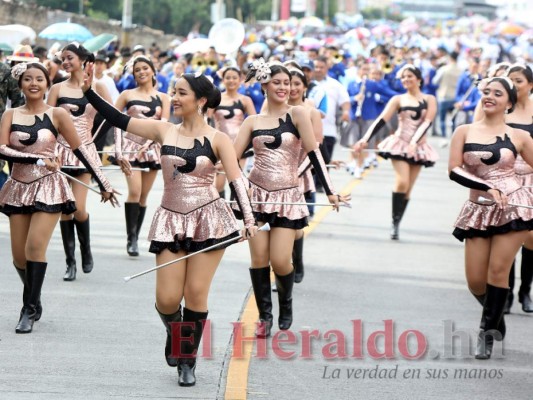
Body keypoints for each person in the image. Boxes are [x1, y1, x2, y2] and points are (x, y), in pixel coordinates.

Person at [81, 64, 258, 386]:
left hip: (210, 221)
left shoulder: (218, 139)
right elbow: (120, 119)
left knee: (195, 293)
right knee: (166, 298)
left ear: (201, 100)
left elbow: (237, 180)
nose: (173, 97)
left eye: (180, 93)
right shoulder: (165, 130)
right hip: (170, 219)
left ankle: (187, 360)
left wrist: (248, 221)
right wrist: (88, 91)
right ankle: (176, 333)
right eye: (173, 92)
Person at [234, 60, 349, 338]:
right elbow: (232, 158)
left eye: (287, 82)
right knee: (259, 259)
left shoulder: (298, 114)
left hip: (288, 197)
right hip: (257, 197)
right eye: (277, 82)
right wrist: (242, 188)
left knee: (281, 261)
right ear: (264, 85)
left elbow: (314, 153)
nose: (284, 87)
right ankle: (265, 316)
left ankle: (286, 302)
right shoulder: (252, 122)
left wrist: (330, 190)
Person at [0, 62, 117, 334]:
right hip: (18, 187)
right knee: (18, 257)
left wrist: (104, 182)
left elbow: (82, 150)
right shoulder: (9, 116)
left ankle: (28, 309)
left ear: (46, 83)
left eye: (39, 79)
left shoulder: (57, 115)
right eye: (27, 79)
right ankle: (34, 296)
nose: (33, 83)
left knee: (34, 249)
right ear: (20, 85)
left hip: (49, 188)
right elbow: (2, 150)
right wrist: (37, 159)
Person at [448, 76, 533, 359]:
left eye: (498, 93)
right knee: (475, 281)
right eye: (486, 91)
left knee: (498, 270)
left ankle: (485, 335)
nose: (490, 96)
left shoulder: (519, 136)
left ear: (508, 102)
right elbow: (454, 169)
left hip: (514, 206)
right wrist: (488, 188)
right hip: (479, 208)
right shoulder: (464, 130)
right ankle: (495, 315)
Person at [47, 42, 114, 282]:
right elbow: (47, 122)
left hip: (85, 153)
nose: (65, 62)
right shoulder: (57, 88)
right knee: (65, 210)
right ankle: (70, 262)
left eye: (69, 57)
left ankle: (85, 250)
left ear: (83, 60)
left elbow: (112, 116)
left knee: (78, 208)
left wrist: (95, 140)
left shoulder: (98, 86)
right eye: (63, 58)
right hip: (59, 153)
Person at [354, 65, 438, 240]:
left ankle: (396, 222)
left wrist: (415, 142)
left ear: (418, 79)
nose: (406, 80)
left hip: (419, 147)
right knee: (402, 182)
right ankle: (394, 222)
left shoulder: (429, 99)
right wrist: (365, 139)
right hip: (400, 144)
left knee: (408, 189)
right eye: (403, 77)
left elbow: (427, 122)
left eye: (409, 76)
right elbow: (381, 120)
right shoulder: (398, 99)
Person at [112, 55, 171, 256]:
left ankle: (136, 235)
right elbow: (114, 119)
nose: (142, 72)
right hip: (130, 147)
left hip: (152, 150)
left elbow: (163, 125)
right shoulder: (126, 95)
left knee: (144, 196)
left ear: (153, 71)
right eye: (138, 70)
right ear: (133, 74)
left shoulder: (163, 98)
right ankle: (131, 239)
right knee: (135, 192)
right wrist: (119, 149)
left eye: (145, 68)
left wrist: (147, 144)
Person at [287, 66, 324, 283]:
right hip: (273, 174)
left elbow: (315, 150)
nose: (291, 88)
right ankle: (283, 267)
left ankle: (297, 260)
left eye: (297, 84)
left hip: (300, 172)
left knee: (295, 222)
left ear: (304, 87)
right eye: (288, 83)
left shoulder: (311, 113)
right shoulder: (271, 108)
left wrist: (297, 175)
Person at [503, 64, 533, 314]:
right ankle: (506, 293)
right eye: (510, 80)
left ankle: (525, 291)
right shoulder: (503, 110)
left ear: (531, 85)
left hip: (532, 179)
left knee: (531, 238)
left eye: (519, 81)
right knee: (508, 236)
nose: (514, 85)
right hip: (506, 180)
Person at [209, 66, 256, 198]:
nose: (231, 81)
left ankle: (236, 212)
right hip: (220, 145)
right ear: (223, 80)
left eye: (234, 78)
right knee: (218, 185)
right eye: (228, 77)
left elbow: (255, 122)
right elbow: (206, 119)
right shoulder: (216, 98)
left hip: (240, 146)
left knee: (236, 182)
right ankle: (221, 214)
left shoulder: (245, 100)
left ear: (240, 80)